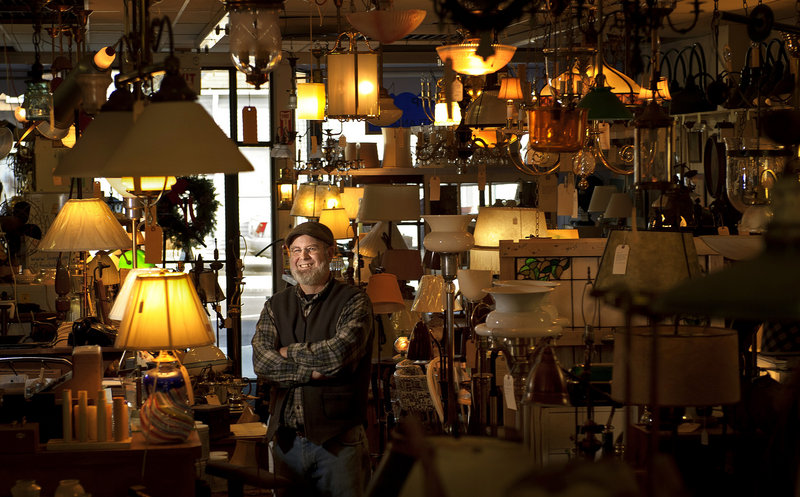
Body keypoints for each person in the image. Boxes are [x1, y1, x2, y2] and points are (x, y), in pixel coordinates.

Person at [252, 221, 374, 497]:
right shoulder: (275, 305)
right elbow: (261, 363)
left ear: (330, 253)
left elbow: (338, 355)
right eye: (296, 251)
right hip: (286, 444)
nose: (302, 258)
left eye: (311, 249)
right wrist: (313, 372)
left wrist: (288, 351)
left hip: (339, 443)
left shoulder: (355, 301)